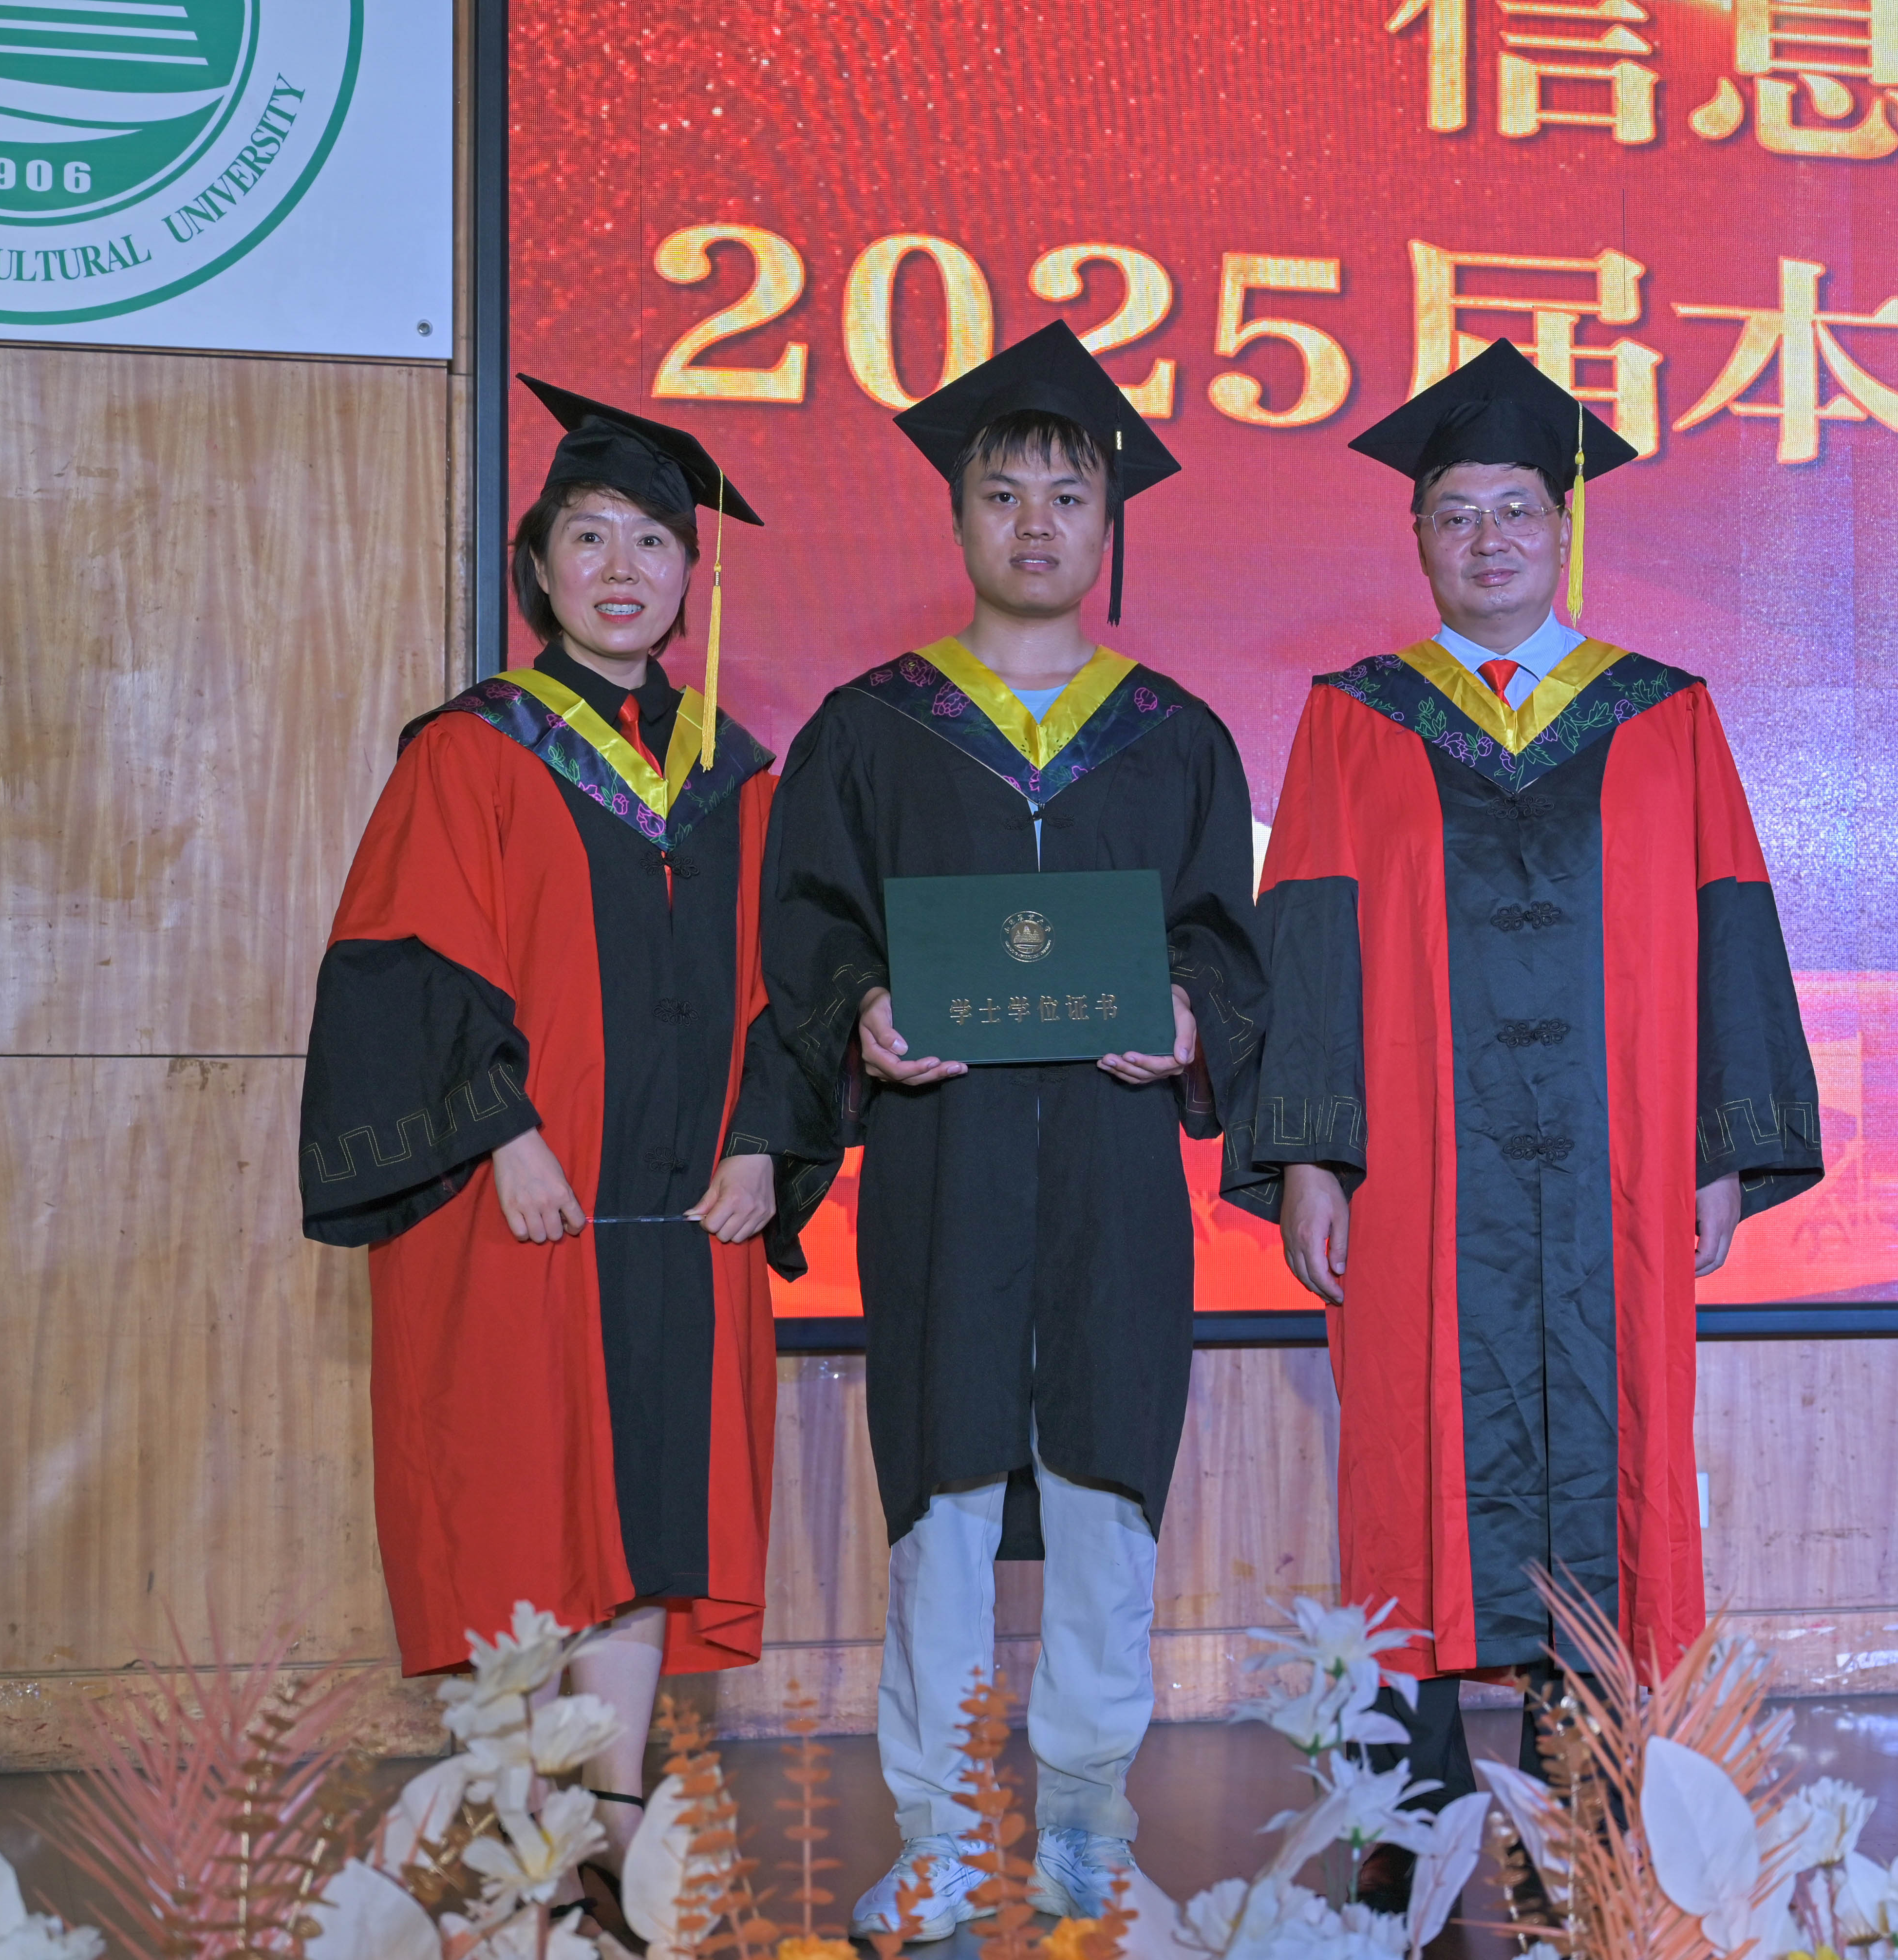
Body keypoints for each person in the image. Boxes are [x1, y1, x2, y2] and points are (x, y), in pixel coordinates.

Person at [1228, 340, 1824, 1903]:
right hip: (1417, 1177)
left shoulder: (1665, 715)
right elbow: (1310, 937)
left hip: (1621, 1171)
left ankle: (1598, 1833)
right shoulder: (1357, 718)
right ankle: (1402, 1837)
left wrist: (1719, 1146)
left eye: (1515, 512)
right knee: (1406, 1470)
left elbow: (1728, 930)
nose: (1487, 540)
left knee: (1609, 1466)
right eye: (1455, 516)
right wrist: (1309, 1152)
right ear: (1416, 538)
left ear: (1563, 530)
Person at [760, 321, 1266, 1939]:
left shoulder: (1174, 735)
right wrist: (861, 1011)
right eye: (1003, 495)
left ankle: (1085, 1832)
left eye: (1067, 496)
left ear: (1110, 524)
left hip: (1115, 1177)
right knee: (945, 1500)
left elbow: (1226, 942)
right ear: (957, 516)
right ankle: (939, 1834)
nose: (1036, 524)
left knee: (1110, 1503)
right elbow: (813, 929)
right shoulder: (874, 730)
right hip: (946, 1170)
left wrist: (1189, 1016)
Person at [299, 376, 828, 1876]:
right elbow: (411, 958)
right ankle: (526, 1816)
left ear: (688, 576)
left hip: (686, 1212)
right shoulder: (473, 749)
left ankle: (609, 1821)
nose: (620, 567)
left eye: (652, 541)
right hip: (525, 1207)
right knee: (528, 1504)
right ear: (538, 567)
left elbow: (790, 993)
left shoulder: (737, 778)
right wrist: (502, 1132)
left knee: (650, 1514)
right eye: (588, 536)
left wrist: (763, 1146)